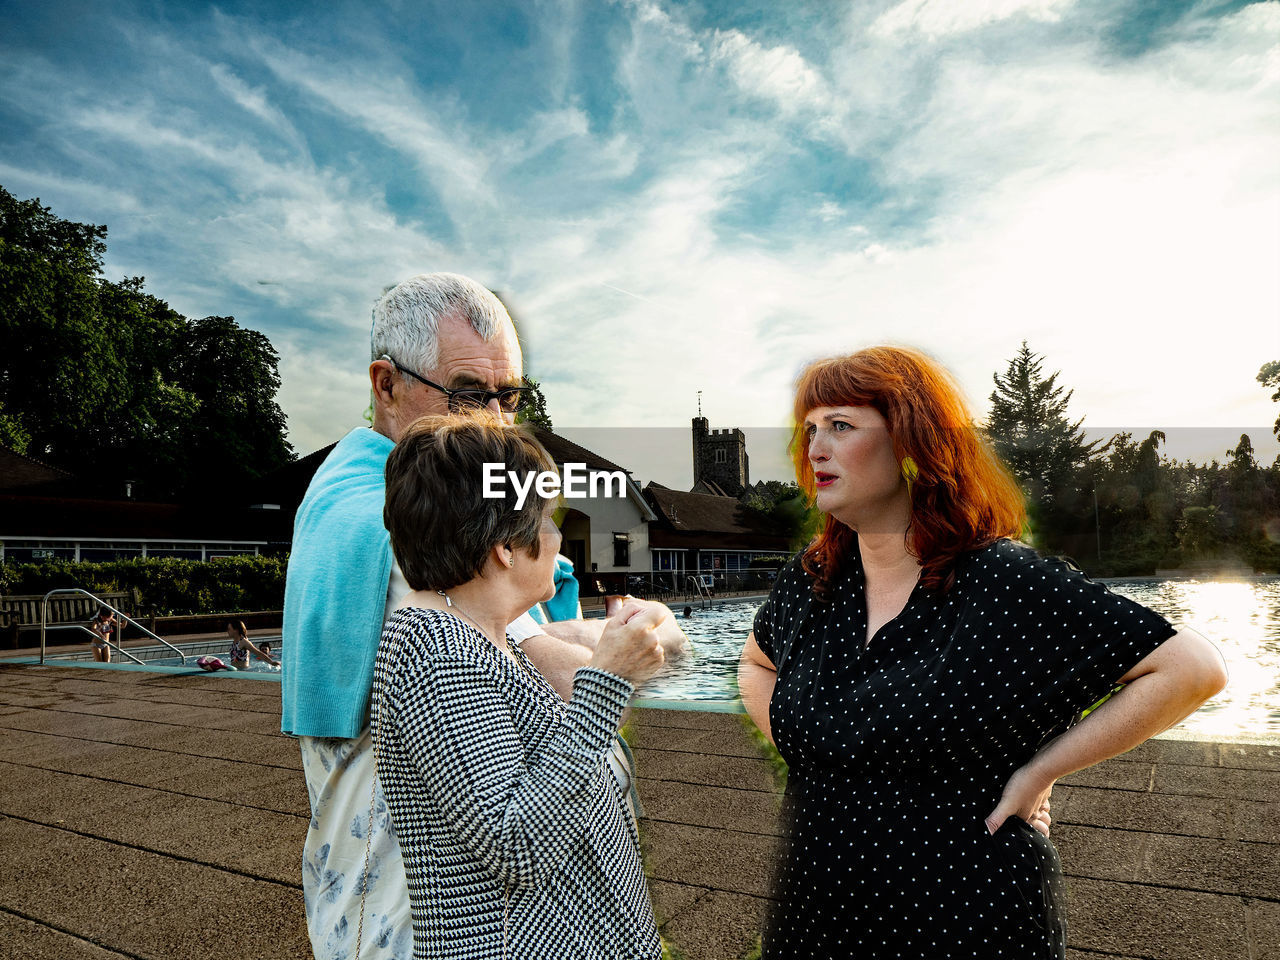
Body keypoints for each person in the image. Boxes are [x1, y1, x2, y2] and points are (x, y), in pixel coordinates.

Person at [738, 346, 1227, 959]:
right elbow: (757, 664)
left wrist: (1041, 770)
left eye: (841, 426)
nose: (815, 448)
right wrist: (810, 751)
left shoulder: (1001, 580)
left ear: (914, 445)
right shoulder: (814, 579)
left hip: (967, 918)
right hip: (813, 914)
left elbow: (1190, 668)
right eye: (811, 429)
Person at [281, 272, 687, 960]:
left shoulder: (345, 498)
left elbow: (517, 642)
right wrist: (620, 653)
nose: (496, 420)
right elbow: (561, 677)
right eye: (470, 394)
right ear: (387, 384)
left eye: (511, 396)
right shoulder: (412, 534)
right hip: (429, 917)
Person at [370, 414, 663, 959]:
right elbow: (515, 845)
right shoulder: (434, 652)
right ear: (506, 543)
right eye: (548, 519)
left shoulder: (478, 640)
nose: (557, 539)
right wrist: (605, 681)